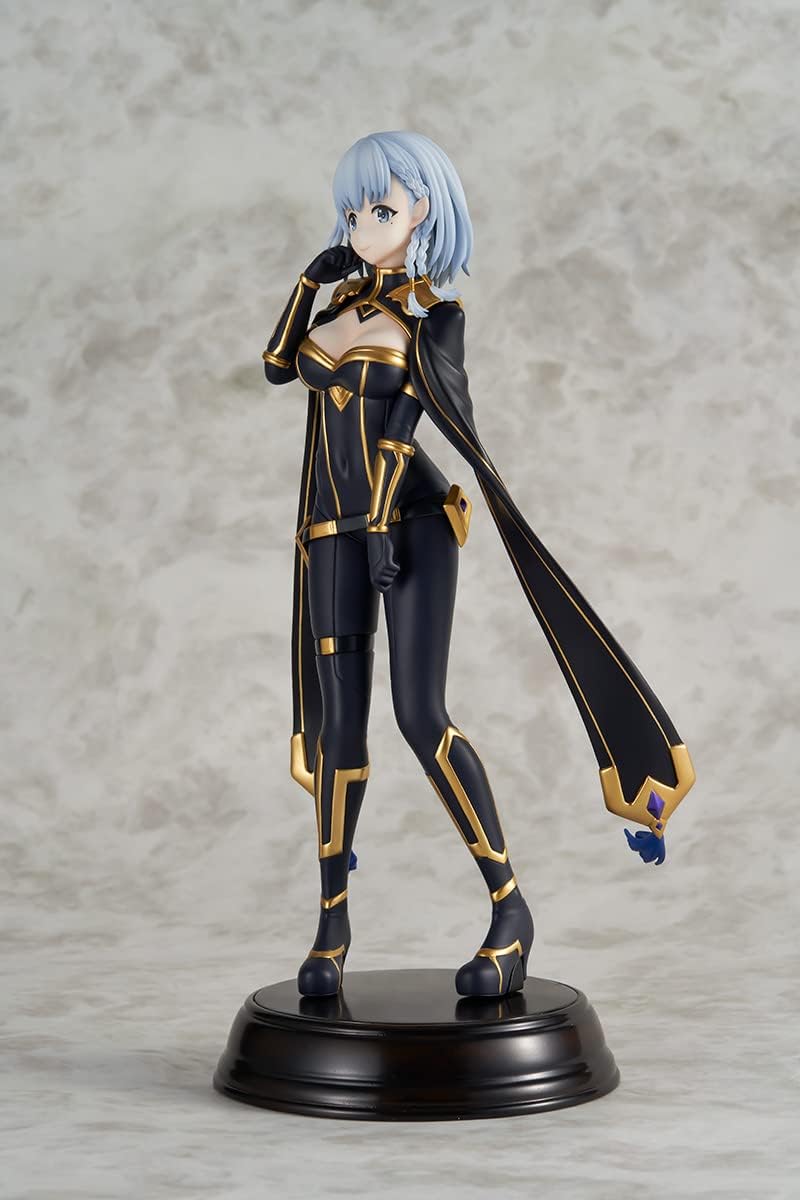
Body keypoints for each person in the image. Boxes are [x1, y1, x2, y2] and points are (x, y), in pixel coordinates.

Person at [262, 131, 695, 998]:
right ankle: (332, 928)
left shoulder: (436, 318)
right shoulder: (336, 306)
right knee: (340, 727)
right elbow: (278, 368)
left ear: (424, 209)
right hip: (331, 530)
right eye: (352, 210)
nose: (362, 225)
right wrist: (309, 281)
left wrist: (382, 527)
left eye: (381, 208)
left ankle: (509, 909)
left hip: (412, 523)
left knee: (419, 715)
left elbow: (401, 432)